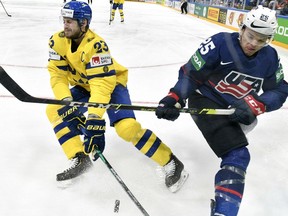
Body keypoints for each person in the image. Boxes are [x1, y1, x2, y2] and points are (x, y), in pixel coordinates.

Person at [155, 6, 288, 215]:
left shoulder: (270, 57)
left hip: (237, 111)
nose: (253, 43)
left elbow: (280, 89)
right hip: (205, 100)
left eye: (262, 40)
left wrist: (256, 104)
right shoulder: (220, 43)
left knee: (240, 142)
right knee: (238, 155)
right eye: (251, 35)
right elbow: (191, 73)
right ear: (242, 28)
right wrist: (176, 97)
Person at [46, 1, 188, 193]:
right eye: (64, 20)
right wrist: (67, 103)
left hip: (111, 85)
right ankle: (80, 158)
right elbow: (57, 75)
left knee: (127, 129)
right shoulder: (57, 41)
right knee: (54, 110)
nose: (65, 25)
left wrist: (94, 119)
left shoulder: (96, 46)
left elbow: (102, 87)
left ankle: (171, 162)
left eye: (70, 21)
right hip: (84, 86)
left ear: (84, 23)